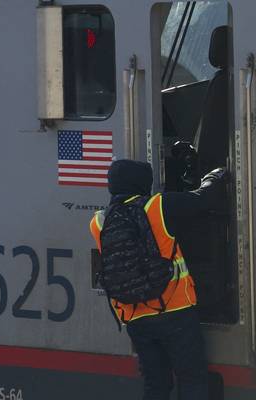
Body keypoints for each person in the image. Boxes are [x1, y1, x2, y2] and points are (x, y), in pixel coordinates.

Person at [89, 160, 226, 400]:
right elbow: (203, 198)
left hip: (135, 317)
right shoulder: (159, 205)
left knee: (156, 384)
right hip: (175, 310)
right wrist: (215, 176)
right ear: (143, 183)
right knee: (192, 379)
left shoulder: (99, 222)